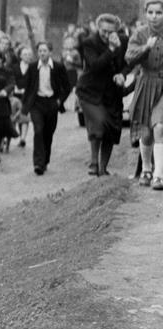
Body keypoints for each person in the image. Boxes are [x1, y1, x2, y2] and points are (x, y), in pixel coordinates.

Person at [77, 13, 130, 176]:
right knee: (99, 124)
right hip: (90, 92)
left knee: (112, 128)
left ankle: (103, 168)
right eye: (103, 31)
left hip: (112, 92)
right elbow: (95, 66)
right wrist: (111, 49)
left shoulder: (124, 41)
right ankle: (94, 163)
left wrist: (123, 74)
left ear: (117, 30)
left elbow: (129, 62)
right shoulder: (89, 43)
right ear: (98, 28)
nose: (106, 35)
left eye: (110, 31)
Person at [126, 0, 163, 189]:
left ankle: (159, 175)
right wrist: (145, 48)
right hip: (145, 84)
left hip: (162, 85)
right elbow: (129, 58)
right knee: (146, 132)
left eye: (159, 13)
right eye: (151, 12)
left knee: (159, 127)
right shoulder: (140, 34)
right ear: (146, 13)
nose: (154, 17)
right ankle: (146, 169)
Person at [22, 41, 70, 176]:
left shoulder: (58, 67)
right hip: (37, 103)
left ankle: (45, 160)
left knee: (48, 133)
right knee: (38, 130)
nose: (42, 53)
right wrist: (25, 106)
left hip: (52, 103)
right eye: (40, 51)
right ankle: (38, 163)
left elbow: (67, 86)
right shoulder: (32, 67)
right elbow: (28, 87)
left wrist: (59, 101)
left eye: (44, 51)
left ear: (50, 52)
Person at [11, 46, 34, 149]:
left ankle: (23, 138)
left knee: (24, 115)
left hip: (27, 95)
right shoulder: (15, 67)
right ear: (20, 56)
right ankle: (11, 135)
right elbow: (12, 79)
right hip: (16, 94)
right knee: (14, 115)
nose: (27, 56)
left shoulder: (33, 67)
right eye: (25, 54)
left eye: (29, 54)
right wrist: (14, 88)